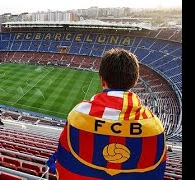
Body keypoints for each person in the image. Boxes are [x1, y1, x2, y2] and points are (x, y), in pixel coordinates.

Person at [46, 48, 166, 180]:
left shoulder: (78, 115)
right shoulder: (154, 126)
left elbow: (64, 160)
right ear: (135, 81)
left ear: (102, 80)